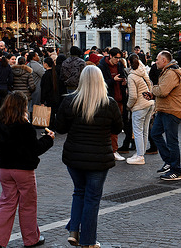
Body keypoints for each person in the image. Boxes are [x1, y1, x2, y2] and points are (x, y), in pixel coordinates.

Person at [56, 66, 123, 248]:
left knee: (79, 192)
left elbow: (60, 127)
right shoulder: (108, 104)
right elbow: (118, 128)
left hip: (74, 156)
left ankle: (74, 232)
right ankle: (88, 241)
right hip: (99, 158)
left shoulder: (70, 101)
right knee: (92, 198)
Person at [0, 91, 54, 248]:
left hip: (5, 170)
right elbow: (35, 149)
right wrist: (48, 139)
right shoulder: (25, 126)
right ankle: (31, 239)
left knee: (6, 204)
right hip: (24, 171)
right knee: (28, 205)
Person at [147, 50, 181, 180]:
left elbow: (162, 91)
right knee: (155, 133)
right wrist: (153, 94)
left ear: (164, 61)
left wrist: (152, 89)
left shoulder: (171, 73)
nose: (155, 62)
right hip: (164, 110)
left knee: (172, 142)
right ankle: (169, 161)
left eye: (157, 59)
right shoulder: (166, 72)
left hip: (172, 111)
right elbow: (163, 91)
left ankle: (176, 170)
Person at [97, 47, 128, 161]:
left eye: (120, 58)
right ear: (110, 56)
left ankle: (114, 150)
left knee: (116, 126)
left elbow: (123, 76)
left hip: (119, 99)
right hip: (108, 99)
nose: (118, 60)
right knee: (107, 126)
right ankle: (108, 149)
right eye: (116, 58)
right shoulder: (102, 67)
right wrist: (113, 80)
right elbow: (101, 83)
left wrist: (124, 81)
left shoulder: (119, 65)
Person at [125, 54, 155, 165]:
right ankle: (140, 152)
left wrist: (129, 106)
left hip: (139, 105)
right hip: (149, 103)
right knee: (145, 130)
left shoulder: (132, 76)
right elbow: (150, 86)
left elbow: (133, 96)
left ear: (129, 62)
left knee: (137, 131)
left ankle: (140, 155)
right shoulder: (143, 72)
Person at [40, 57, 59, 129]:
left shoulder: (46, 75)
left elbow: (44, 89)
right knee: (53, 114)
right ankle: (52, 128)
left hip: (48, 98)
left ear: (46, 64)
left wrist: (42, 101)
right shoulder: (54, 74)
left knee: (48, 115)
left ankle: (48, 129)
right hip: (55, 96)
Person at [27, 52, 46, 117]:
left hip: (30, 87)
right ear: (33, 57)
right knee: (36, 105)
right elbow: (43, 74)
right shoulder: (36, 65)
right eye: (36, 55)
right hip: (37, 87)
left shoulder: (28, 64)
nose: (38, 57)